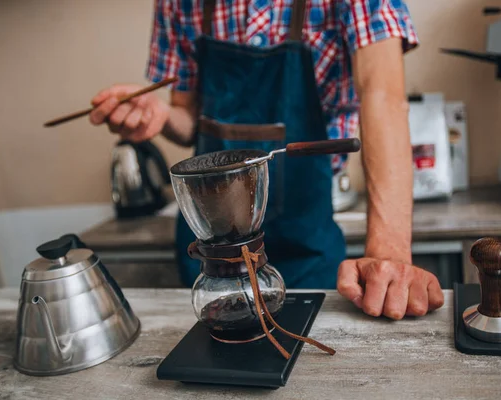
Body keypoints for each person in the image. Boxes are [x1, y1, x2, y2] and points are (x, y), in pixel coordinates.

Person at [89, 0, 444, 320]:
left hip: (307, 241)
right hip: (214, 257)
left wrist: (388, 254)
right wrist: (160, 114)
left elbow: (382, 96)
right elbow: (188, 118)